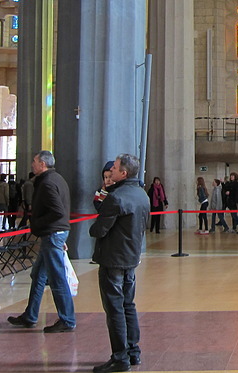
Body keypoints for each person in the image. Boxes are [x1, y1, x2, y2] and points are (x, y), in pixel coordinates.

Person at [89, 153, 150, 373]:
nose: (110, 171)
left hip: (113, 258)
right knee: (128, 304)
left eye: (114, 168)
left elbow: (98, 229)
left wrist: (96, 225)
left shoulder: (116, 197)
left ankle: (120, 357)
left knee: (115, 308)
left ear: (123, 173)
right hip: (131, 257)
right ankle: (133, 352)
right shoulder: (142, 194)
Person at [7, 150, 76, 333]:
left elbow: (58, 211)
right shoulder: (56, 179)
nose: (32, 164)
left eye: (35, 161)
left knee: (57, 277)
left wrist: (37, 224)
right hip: (54, 234)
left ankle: (67, 319)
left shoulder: (47, 183)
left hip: (52, 234)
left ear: (43, 164)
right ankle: (30, 315)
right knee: (38, 275)